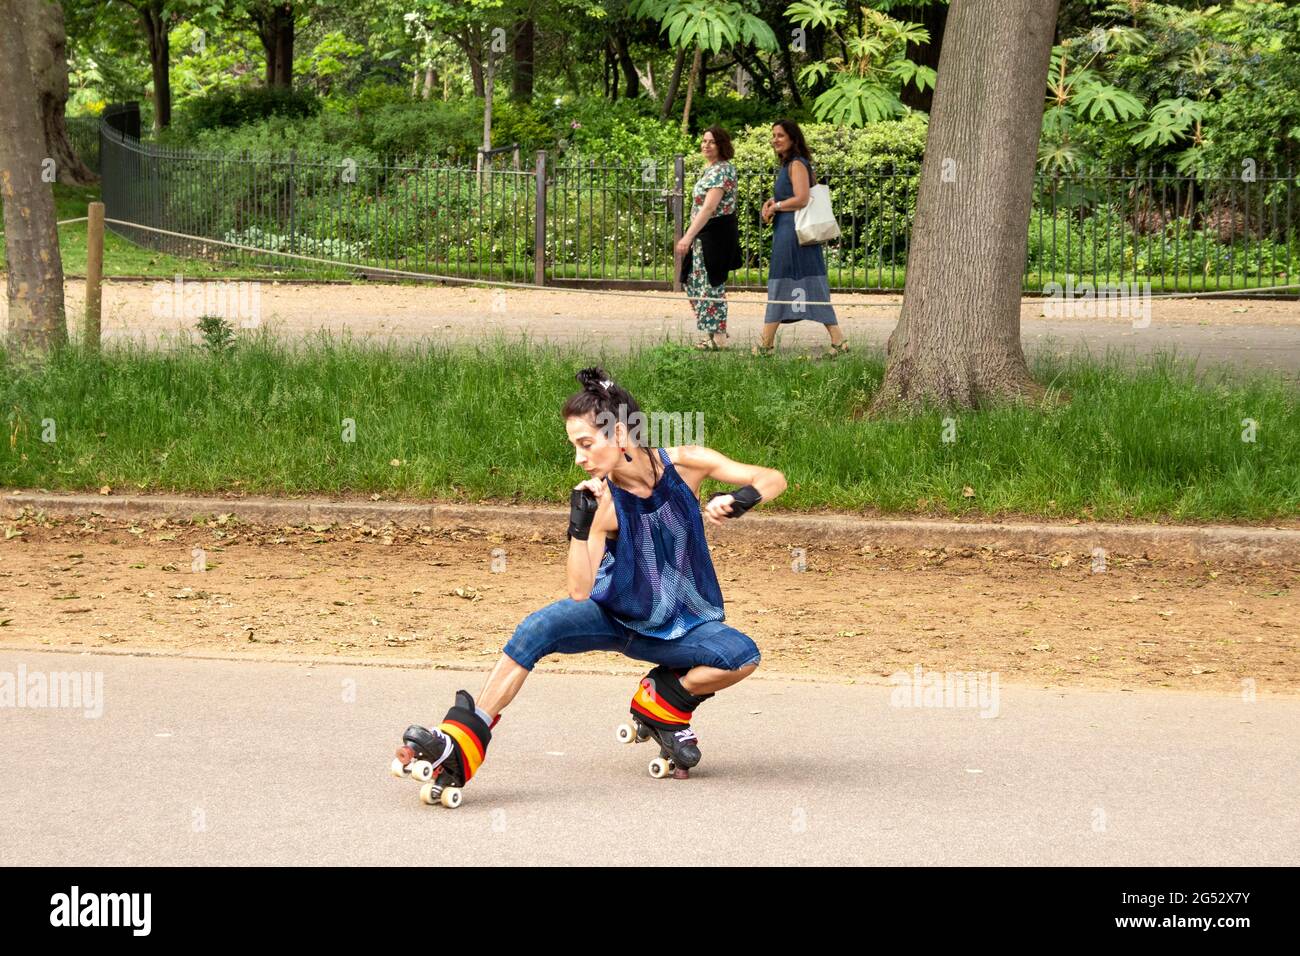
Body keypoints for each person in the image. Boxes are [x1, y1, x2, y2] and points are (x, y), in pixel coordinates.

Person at [393, 367, 785, 799]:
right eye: (574, 446)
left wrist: (740, 500)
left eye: (585, 444)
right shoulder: (604, 504)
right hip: (615, 617)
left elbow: (771, 477)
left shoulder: (685, 464)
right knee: (537, 629)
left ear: (619, 434)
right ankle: (463, 739)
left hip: (683, 623)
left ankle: (665, 701)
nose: (579, 457)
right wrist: (580, 527)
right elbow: (580, 590)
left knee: (742, 655)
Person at [757, 119, 849, 358]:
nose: (775, 139)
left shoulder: (797, 163)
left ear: (793, 138)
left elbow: (801, 199)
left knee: (781, 281)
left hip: (794, 235)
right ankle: (838, 340)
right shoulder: (791, 164)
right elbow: (793, 197)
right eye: (773, 135)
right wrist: (772, 204)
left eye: (780, 135)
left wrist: (776, 205)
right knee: (800, 282)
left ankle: (765, 345)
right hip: (789, 231)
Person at [676, 126, 742, 351]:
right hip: (703, 235)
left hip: (715, 234)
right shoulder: (710, 169)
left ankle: (718, 337)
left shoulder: (722, 170)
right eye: (704, 141)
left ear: (721, 145)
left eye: (711, 142)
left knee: (711, 285)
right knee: (694, 283)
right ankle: (708, 334)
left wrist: (687, 236)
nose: (706, 145)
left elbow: (709, 208)